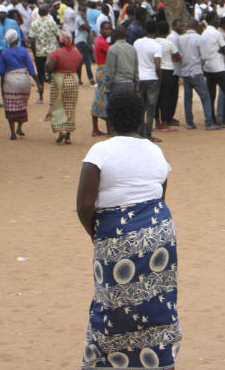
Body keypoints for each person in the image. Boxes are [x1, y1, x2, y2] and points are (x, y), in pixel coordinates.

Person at [76, 91, 181, 369]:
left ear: (110, 120)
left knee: (112, 305)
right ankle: (157, 360)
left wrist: (98, 234)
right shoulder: (155, 150)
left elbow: (84, 205)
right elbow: (160, 197)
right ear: (141, 119)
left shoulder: (101, 150)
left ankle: (107, 362)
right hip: (158, 234)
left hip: (116, 235)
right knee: (155, 303)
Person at [173, 19, 219, 130]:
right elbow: (204, 56)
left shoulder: (180, 39)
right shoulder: (199, 38)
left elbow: (178, 55)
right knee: (205, 97)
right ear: (196, 27)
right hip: (196, 71)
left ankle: (189, 122)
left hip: (185, 71)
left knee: (188, 98)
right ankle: (209, 122)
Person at [0, 28, 37, 140]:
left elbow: (0, 70)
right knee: (22, 104)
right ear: (17, 39)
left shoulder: (4, 53)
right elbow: (31, 68)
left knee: (10, 106)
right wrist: (38, 83)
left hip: (10, 80)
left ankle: (12, 133)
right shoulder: (23, 51)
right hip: (23, 79)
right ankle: (20, 127)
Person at [45, 31, 83, 145]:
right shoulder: (76, 52)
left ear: (60, 40)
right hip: (73, 79)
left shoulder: (56, 53)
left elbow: (49, 65)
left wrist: (48, 73)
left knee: (58, 105)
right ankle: (68, 136)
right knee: (70, 107)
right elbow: (80, 65)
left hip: (59, 80)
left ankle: (60, 131)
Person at [201, 12, 225, 128]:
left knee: (211, 94)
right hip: (218, 67)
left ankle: (212, 118)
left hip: (207, 66)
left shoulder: (204, 33)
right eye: (216, 19)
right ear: (212, 20)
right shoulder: (216, 33)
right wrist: (222, 50)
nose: (218, 21)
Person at [133, 19, 163, 141]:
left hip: (139, 77)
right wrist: (160, 77)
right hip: (152, 78)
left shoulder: (137, 43)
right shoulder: (156, 45)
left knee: (140, 106)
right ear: (156, 31)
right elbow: (157, 66)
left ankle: (140, 132)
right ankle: (148, 134)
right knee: (151, 106)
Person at [91, 20, 113, 136]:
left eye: (110, 28)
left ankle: (95, 129)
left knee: (99, 97)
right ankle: (110, 129)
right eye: (106, 29)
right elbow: (111, 55)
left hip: (100, 70)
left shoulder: (100, 41)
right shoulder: (103, 43)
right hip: (104, 70)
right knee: (105, 99)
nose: (108, 31)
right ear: (101, 30)